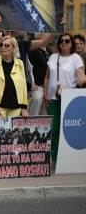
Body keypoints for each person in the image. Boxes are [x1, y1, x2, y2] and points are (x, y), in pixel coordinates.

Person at [44, 34, 86, 164]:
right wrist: (45, 94)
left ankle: (71, 161)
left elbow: (80, 75)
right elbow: (47, 77)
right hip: (53, 99)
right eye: (61, 41)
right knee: (54, 130)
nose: (63, 43)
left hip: (69, 100)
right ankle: (55, 160)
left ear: (71, 43)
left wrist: (82, 79)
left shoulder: (76, 58)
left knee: (69, 131)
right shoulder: (52, 57)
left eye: (67, 41)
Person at [0, 36, 28, 117]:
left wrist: (24, 107)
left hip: (16, 107)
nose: (3, 47)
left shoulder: (20, 64)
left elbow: (24, 87)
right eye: (1, 45)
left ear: (14, 48)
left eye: (7, 45)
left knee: (15, 130)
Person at [28, 33, 51, 116]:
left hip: (46, 88)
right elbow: (29, 68)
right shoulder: (33, 50)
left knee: (44, 114)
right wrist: (32, 84)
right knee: (35, 113)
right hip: (36, 87)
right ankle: (30, 127)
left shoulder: (48, 50)